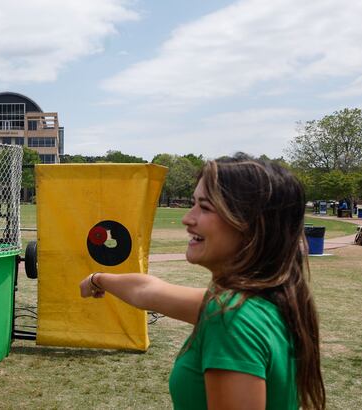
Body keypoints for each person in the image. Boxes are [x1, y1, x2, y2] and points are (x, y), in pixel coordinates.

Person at [80, 153, 325, 410]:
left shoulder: (231, 317)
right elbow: (148, 291)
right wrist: (98, 280)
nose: (187, 219)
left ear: (252, 225)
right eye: (194, 203)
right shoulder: (263, 301)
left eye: (205, 207)